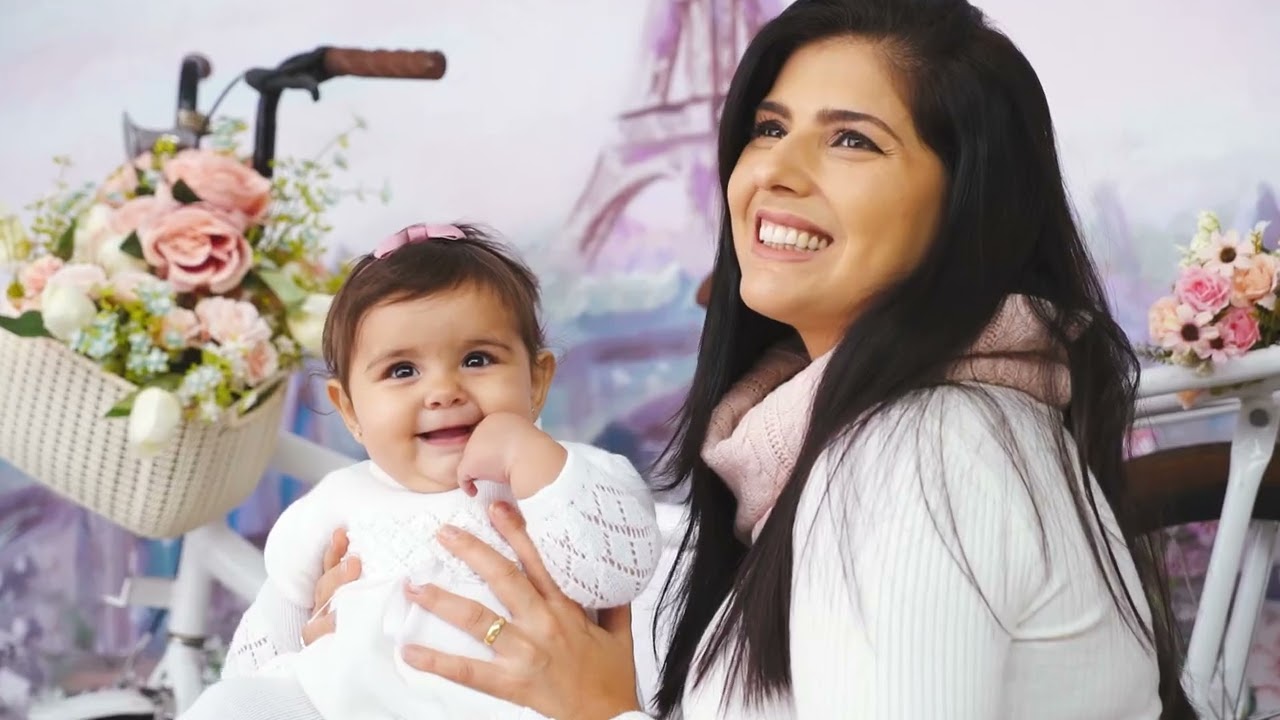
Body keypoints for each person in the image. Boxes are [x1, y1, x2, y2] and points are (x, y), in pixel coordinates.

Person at [269, 1, 1202, 718]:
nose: (774, 172)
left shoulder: (922, 451)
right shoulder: (836, 445)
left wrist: (605, 710)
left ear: (968, 205)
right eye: (766, 127)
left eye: (850, 139)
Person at [182, 223, 664, 720]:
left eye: (477, 359)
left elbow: (615, 578)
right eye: (402, 371)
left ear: (537, 381)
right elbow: (270, 631)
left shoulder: (568, 476)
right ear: (349, 410)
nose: (443, 391)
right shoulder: (336, 503)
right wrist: (274, 674)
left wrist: (530, 456)